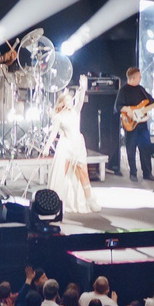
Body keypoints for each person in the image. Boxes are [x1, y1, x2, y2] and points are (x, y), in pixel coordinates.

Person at [49, 87, 94, 216]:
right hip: (67, 146)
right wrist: (47, 146)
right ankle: (57, 202)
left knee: (83, 173)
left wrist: (83, 88)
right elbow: (53, 133)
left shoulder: (75, 112)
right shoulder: (58, 117)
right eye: (67, 100)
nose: (70, 102)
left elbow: (80, 101)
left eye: (71, 100)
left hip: (78, 145)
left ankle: (89, 200)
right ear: (62, 103)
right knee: (62, 175)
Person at [113, 68, 154, 181]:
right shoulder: (123, 91)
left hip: (142, 124)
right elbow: (118, 106)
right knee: (131, 149)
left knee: (146, 148)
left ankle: (147, 173)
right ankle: (133, 173)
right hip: (131, 124)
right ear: (133, 78)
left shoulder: (141, 90)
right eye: (139, 76)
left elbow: (151, 101)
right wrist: (128, 109)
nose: (141, 78)